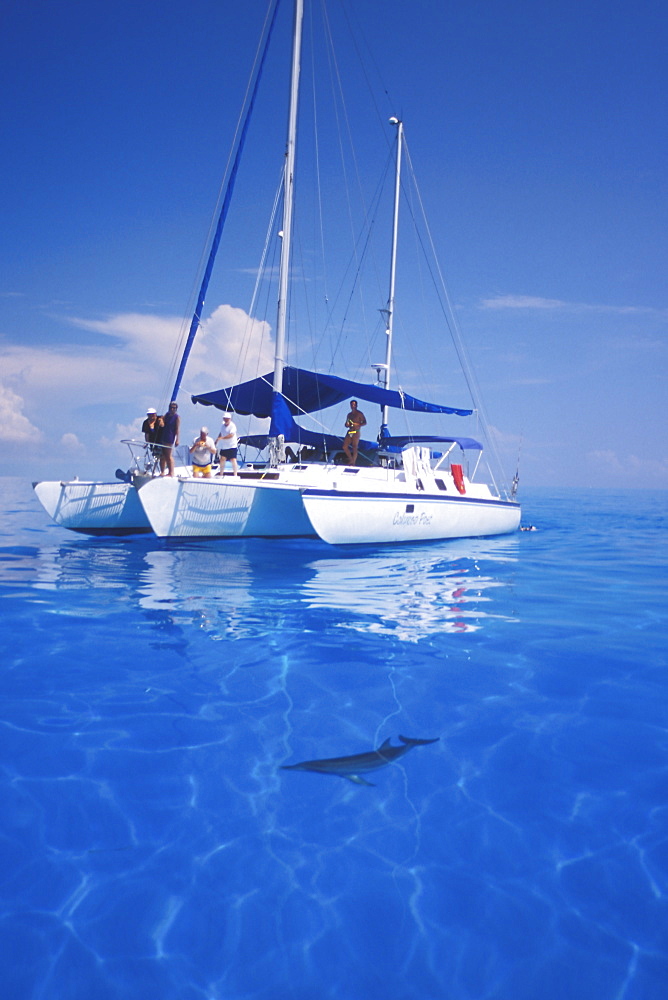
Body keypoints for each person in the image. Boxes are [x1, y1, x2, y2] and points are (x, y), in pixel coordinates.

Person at [158, 401, 180, 477]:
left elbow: (177, 429)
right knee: (162, 455)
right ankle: (162, 471)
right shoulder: (167, 415)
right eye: (171, 407)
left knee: (168, 455)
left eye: (174, 408)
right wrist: (161, 421)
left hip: (170, 437)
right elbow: (162, 421)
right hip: (164, 435)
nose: (172, 409)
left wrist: (177, 439)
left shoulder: (177, 417)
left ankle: (171, 472)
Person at [342, 399, 366, 465]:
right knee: (345, 446)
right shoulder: (349, 415)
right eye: (352, 405)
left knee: (354, 446)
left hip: (356, 431)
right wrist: (347, 424)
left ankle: (353, 462)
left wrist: (358, 424)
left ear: (356, 405)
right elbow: (346, 423)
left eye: (354, 404)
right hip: (350, 431)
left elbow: (365, 422)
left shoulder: (359, 414)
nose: (353, 406)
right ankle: (351, 459)